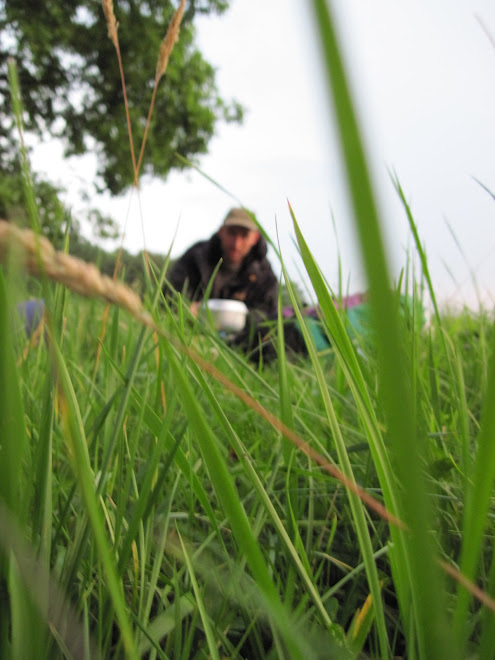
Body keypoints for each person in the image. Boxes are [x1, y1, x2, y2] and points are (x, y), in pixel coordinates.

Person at [166, 207, 279, 356]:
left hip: (240, 345)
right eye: (232, 233)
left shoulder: (264, 274)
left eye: (244, 235)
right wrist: (186, 307)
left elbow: (268, 313)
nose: (236, 244)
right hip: (193, 335)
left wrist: (243, 320)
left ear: (255, 238)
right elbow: (171, 291)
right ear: (221, 231)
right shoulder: (197, 257)